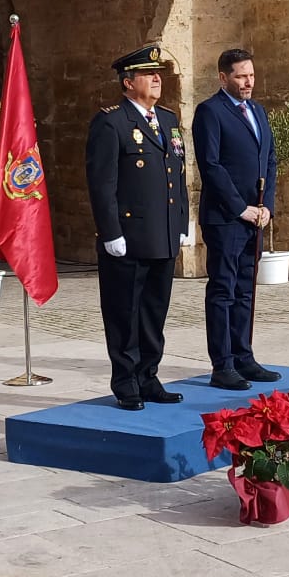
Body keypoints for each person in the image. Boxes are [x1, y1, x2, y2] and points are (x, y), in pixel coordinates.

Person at [86, 45, 190, 410]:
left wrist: (181, 222)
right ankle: (126, 380)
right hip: (128, 238)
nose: (157, 78)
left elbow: (177, 172)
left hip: (161, 235)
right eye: (148, 74)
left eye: (158, 73)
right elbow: (102, 184)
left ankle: (149, 375)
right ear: (128, 82)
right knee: (124, 312)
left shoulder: (168, 120)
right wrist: (110, 232)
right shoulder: (111, 122)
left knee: (153, 312)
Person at [192, 47, 280, 391]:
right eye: (241, 76)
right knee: (224, 290)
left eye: (251, 75)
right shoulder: (210, 112)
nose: (248, 82)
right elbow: (211, 166)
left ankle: (244, 355)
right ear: (223, 77)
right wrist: (239, 207)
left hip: (256, 216)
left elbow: (269, 159)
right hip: (226, 218)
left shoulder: (257, 110)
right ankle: (223, 364)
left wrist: (266, 205)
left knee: (245, 290)